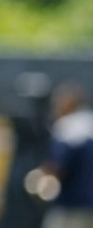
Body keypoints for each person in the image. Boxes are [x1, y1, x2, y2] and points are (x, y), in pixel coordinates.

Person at [36, 80, 93, 228]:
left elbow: (57, 168)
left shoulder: (68, 127)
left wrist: (40, 184)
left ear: (67, 103)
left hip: (71, 206)